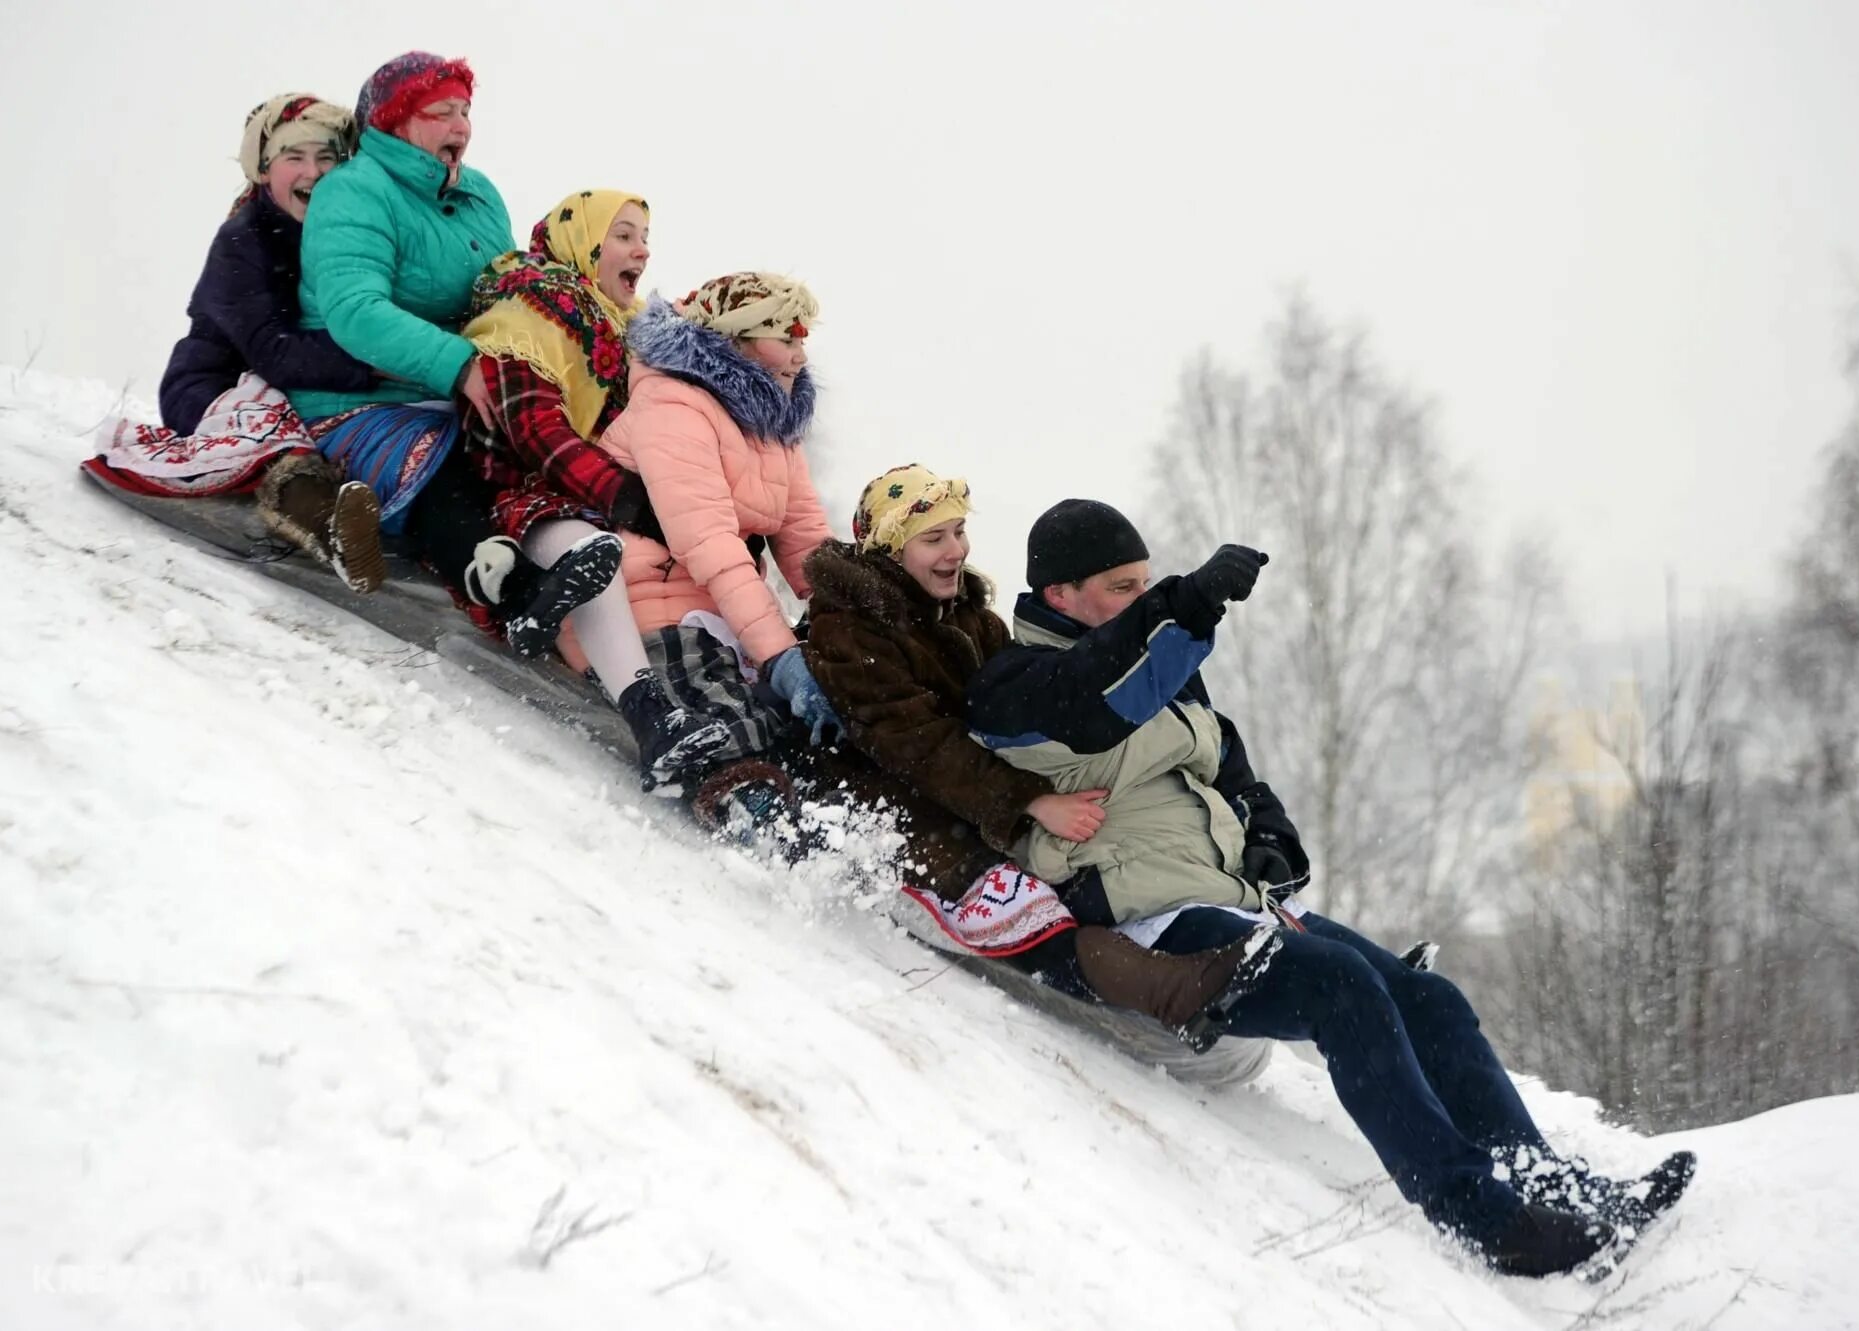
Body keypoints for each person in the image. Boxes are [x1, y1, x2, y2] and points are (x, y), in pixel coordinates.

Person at [965, 500, 1695, 1277]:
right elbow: (1094, 698)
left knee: (1428, 997)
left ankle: (1550, 1181)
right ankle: (1489, 1219)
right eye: (1123, 587)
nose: (1141, 598)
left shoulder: (1169, 676)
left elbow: (1228, 764)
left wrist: (1270, 835)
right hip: (1144, 918)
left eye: (1147, 582)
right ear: (1058, 597)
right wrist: (1179, 604)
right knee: (1340, 988)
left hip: (1230, 895)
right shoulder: (1017, 687)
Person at [802, 465, 1280, 1042]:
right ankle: (1165, 987)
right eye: (933, 538)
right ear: (889, 550)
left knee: (1056, 872)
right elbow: (917, 744)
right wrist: (1031, 801)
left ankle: (1204, 960)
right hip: (892, 805)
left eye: (958, 532)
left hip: (968, 800)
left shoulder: (971, 619)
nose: (955, 550)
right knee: (1019, 900)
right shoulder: (850, 630)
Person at [292, 51, 616, 653]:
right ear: (394, 122)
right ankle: (504, 586)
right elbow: (355, 309)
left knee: (538, 447)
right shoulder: (353, 192)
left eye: (465, 111)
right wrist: (459, 365)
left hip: (459, 388)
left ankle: (588, 569)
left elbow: (502, 293)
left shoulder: (480, 193)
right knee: (444, 464)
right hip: (364, 395)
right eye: (441, 112)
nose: (461, 127)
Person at [454, 190, 731, 785]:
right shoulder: (525, 316)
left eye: (646, 238)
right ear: (583, 242)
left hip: (586, 497)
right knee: (592, 549)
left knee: (607, 551)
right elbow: (534, 431)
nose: (643, 250)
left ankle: (671, 718)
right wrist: (626, 496)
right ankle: (647, 712)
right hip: (519, 488)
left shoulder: (624, 331)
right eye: (625, 235)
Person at [90, 94, 384, 592]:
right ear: (265, 170)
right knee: (279, 435)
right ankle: (325, 523)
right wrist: (381, 364)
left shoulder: (346, 234)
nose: (313, 172)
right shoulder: (244, 238)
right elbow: (274, 353)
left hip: (306, 382)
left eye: (327, 158)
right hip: (216, 384)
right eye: (295, 158)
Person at [590, 272, 841, 831]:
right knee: (720, 707)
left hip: (723, 604)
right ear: (737, 340)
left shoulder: (774, 420)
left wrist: (848, 620)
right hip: (647, 600)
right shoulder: (673, 404)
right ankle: (759, 816)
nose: (800, 356)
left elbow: (802, 536)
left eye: (803, 340)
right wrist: (779, 655)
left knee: (821, 706)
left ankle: (833, 803)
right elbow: (707, 542)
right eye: (787, 338)